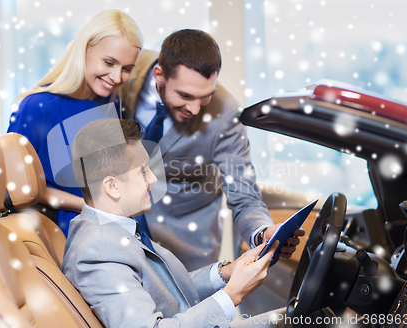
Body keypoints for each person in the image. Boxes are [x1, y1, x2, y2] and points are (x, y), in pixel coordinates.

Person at [62, 118, 286, 328]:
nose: (152, 178)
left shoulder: (109, 228)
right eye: (142, 171)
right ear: (112, 186)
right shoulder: (98, 250)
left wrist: (227, 272)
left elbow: (165, 291)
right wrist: (233, 293)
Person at [121, 29, 304, 271]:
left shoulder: (226, 116)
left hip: (187, 250)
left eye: (205, 97)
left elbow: (244, 195)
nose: (195, 109)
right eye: (184, 95)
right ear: (159, 75)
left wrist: (261, 232)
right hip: (120, 233)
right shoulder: (126, 70)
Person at [7, 9, 142, 236]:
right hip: (57, 236)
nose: (117, 77)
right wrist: (88, 206)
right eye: (109, 62)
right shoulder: (36, 106)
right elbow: (16, 188)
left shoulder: (111, 101)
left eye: (127, 68)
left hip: (106, 231)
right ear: (84, 49)